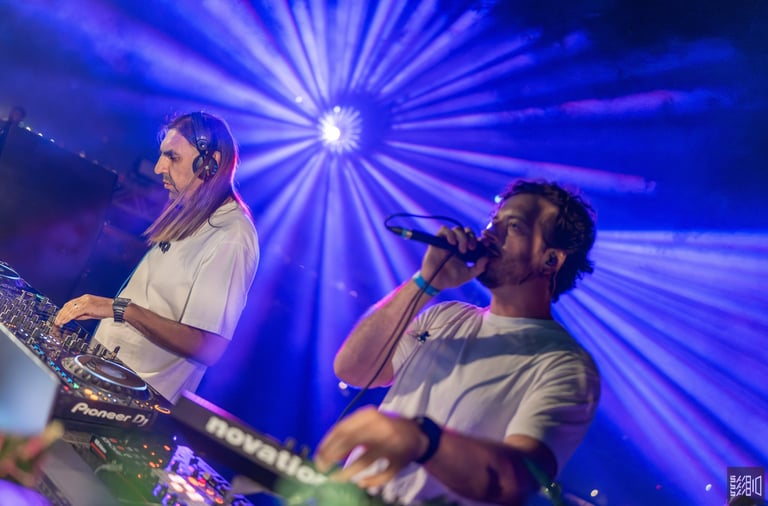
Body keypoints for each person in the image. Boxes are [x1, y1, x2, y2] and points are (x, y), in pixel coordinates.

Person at [315, 180, 600, 506]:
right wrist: (426, 281)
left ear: (551, 260)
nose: (490, 233)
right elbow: (352, 368)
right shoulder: (445, 316)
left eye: (514, 226)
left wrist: (422, 439)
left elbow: (517, 481)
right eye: (494, 221)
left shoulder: (565, 364)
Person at [53, 112, 259, 403]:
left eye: (173, 157)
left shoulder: (232, 235)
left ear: (209, 164)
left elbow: (208, 347)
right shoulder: (191, 213)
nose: (159, 167)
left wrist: (120, 308)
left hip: (137, 400)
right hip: (108, 378)